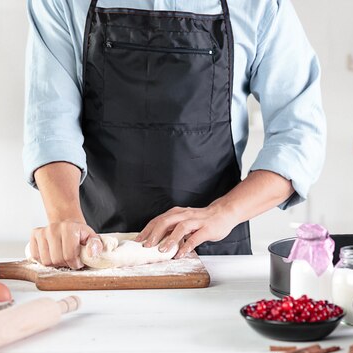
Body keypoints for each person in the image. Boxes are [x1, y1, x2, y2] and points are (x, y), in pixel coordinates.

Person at [23, 0, 326, 269]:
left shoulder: (259, 5)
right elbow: (51, 124)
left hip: (216, 261)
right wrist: (65, 218)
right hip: (95, 252)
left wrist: (224, 212)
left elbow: (298, 135)